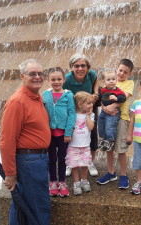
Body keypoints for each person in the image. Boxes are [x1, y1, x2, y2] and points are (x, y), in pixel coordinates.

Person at [0, 59, 51, 225]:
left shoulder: (36, 97)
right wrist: (10, 173)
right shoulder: (17, 102)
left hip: (37, 159)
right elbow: (6, 141)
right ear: (22, 76)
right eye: (32, 74)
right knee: (39, 206)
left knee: (23, 205)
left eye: (40, 73)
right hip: (30, 162)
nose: (37, 77)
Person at [97, 59, 135, 189]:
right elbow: (102, 97)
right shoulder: (110, 80)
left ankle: (124, 175)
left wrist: (112, 106)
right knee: (109, 147)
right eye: (120, 70)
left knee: (120, 149)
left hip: (122, 118)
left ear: (129, 74)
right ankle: (111, 172)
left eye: (125, 72)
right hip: (107, 117)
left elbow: (123, 98)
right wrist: (104, 107)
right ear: (116, 68)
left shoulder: (130, 83)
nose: (122, 74)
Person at [63, 52, 99, 177]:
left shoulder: (91, 74)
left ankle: (89, 162)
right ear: (72, 67)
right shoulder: (67, 79)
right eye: (76, 66)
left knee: (92, 134)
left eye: (83, 66)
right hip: (73, 110)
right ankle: (70, 162)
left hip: (89, 107)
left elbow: (96, 81)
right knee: (71, 133)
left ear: (87, 67)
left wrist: (95, 92)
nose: (80, 69)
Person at [42, 67, 76, 198]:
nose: (56, 82)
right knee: (51, 159)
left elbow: (72, 114)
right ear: (48, 80)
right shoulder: (45, 95)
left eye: (59, 79)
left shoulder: (68, 95)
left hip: (63, 134)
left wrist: (68, 132)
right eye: (53, 79)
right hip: (49, 134)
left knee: (62, 159)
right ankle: (52, 182)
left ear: (64, 79)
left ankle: (62, 182)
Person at [65, 91, 95, 195]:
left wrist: (87, 116)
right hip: (73, 145)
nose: (91, 105)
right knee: (75, 165)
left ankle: (84, 181)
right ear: (80, 104)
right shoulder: (73, 115)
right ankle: (76, 183)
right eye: (89, 103)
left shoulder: (91, 115)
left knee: (85, 165)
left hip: (85, 145)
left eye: (91, 103)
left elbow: (91, 127)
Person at [98, 70, 126, 151]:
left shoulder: (118, 91)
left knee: (110, 126)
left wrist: (116, 98)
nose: (111, 81)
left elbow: (123, 98)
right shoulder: (103, 90)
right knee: (101, 123)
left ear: (116, 80)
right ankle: (102, 139)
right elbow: (100, 97)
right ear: (104, 82)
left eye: (113, 79)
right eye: (108, 80)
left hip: (114, 112)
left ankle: (110, 140)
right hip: (104, 111)